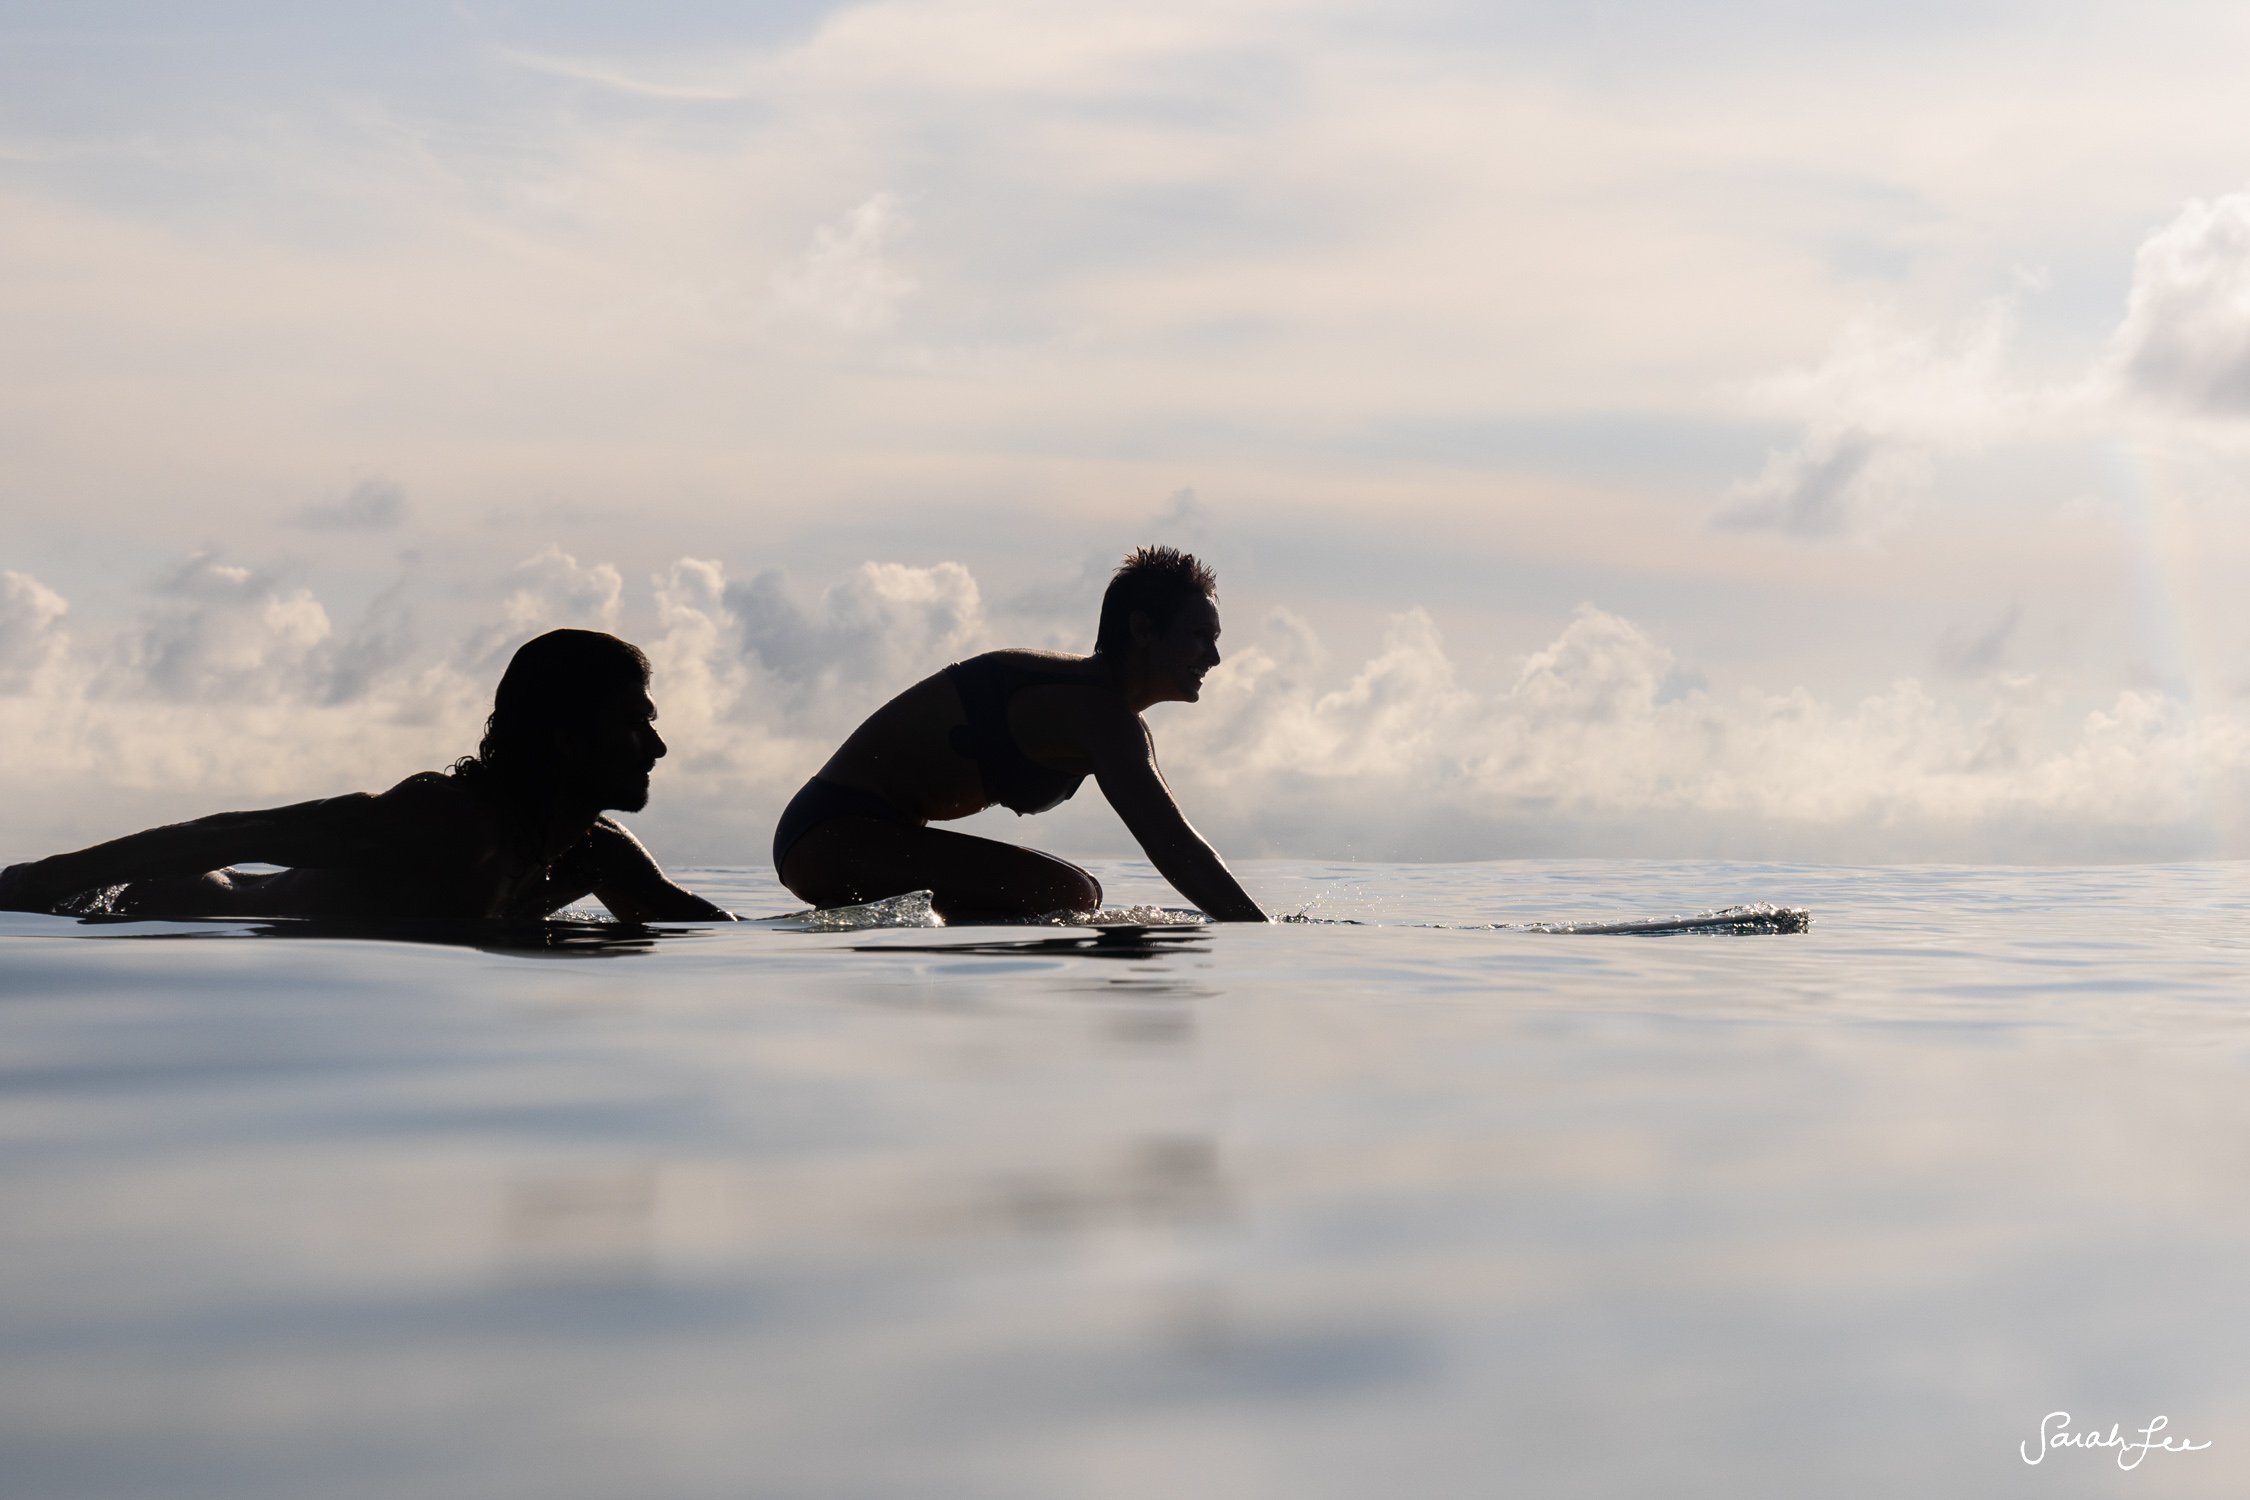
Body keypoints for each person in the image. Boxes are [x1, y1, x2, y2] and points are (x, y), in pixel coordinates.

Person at [0, 629, 735, 923]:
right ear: (570, 740)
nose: (657, 747)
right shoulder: (441, 820)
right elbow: (229, 835)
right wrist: (33, 883)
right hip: (178, 907)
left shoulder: (591, 851)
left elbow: (707, 934)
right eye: (635, 724)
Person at [774, 545, 1268, 923]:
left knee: (1079, 894)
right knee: (1068, 896)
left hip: (845, 840)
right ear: (1142, 630)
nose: (1214, 658)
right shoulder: (1095, 712)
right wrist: (1261, 931)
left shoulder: (1111, 717)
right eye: (1201, 637)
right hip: (828, 835)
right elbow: (1173, 845)